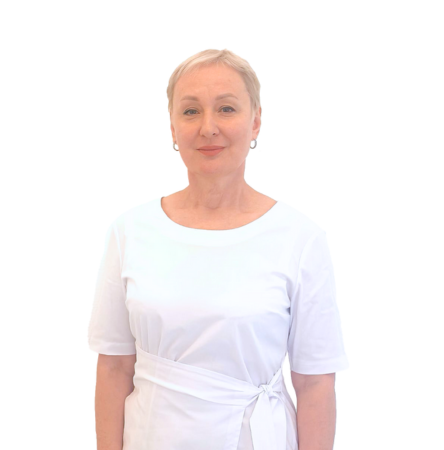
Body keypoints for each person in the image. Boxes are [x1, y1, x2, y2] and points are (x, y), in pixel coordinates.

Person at [88, 48, 349, 450]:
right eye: (190, 111)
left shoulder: (299, 238)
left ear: (255, 121)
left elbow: (315, 384)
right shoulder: (130, 232)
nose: (208, 127)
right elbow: (114, 368)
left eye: (226, 109)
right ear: (172, 127)